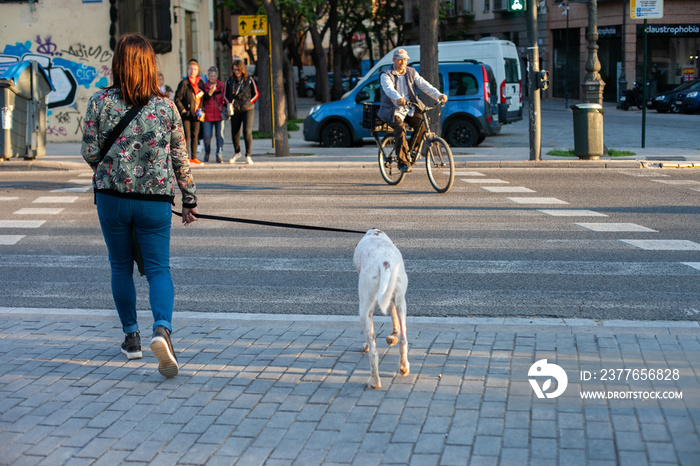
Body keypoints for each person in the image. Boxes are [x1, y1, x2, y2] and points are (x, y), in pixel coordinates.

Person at [81, 33, 199, 378]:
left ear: (118, 63)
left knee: (120, 267)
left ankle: (131, 338)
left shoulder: (100, 102)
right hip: (155, 201)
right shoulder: (165, 106)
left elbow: (90, 151)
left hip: (112, 199)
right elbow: (180, 157)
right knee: (159, 269)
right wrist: (189, 199)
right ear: (150, 66)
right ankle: (161, 329)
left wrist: (112, 169)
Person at [378, 48, 447, 173]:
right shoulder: (386, 74)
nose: (402, 62)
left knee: (422, 122)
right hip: (393, 109)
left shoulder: (411, 72)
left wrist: (438, 95)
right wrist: (398, 98)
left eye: (404, 60)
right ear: (394, 60)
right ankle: (402, 161)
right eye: (399, 60)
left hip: (409, 108)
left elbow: (424, 85)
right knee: (400, 128)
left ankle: (411, 150)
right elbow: (388, 89)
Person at [225, 59, 259, 164]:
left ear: (242, 69)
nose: (236, 72)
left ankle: (248, 155)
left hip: (248, 109)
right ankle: (237, 152)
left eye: (238, 69)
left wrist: (249, 102)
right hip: (235, 109)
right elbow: (225, 95)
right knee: (235, 132)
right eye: (234, 69)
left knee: (247, 132)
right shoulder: (230, 80)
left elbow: (256, 93)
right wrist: (229, 103)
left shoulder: (248, 79)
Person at [174, 59, 205, 165]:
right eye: (191, 69)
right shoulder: (184, 83)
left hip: (197, 114)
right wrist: (183, 110)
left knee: (195, 135)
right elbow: (177, 98)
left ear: (198, 71)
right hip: (187, 114)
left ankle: (194, 157)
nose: (192, 71)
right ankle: (186, 157)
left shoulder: (200, 83)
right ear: (187, 70)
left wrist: (202, 110)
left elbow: (203, 98)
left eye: (195, 69)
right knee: (186, 135)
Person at [202, 66, 226, 163]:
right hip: (208, 115)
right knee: (207, 136)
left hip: (219, 115)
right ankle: (207, 152)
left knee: (220, 136)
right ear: (208, 76)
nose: (212, 78)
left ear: (217, 76)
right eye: (210, 76)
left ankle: (219, 155)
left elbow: (225, 98)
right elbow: (203, 100)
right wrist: (210, 92)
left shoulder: (222, 86)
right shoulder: (204, 86)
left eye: (214, 76)